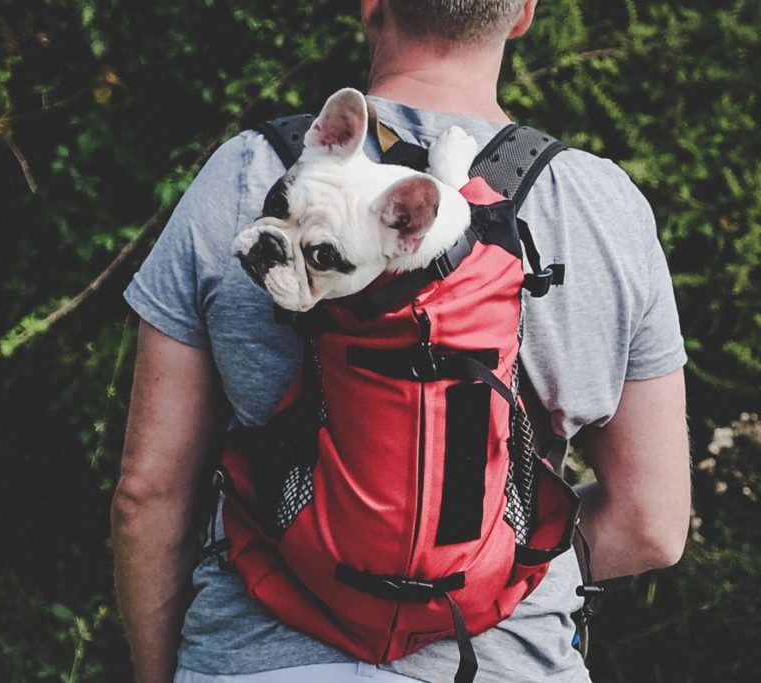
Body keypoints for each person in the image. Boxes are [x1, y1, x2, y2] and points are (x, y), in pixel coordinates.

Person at [110, 1, 692, 681]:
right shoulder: (605, 206)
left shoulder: (248, 171)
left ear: (369, 3)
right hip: (505, 662)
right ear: (525, 12)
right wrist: (496, 560)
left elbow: (148, 493)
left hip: (259, 657)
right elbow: (652, 523)